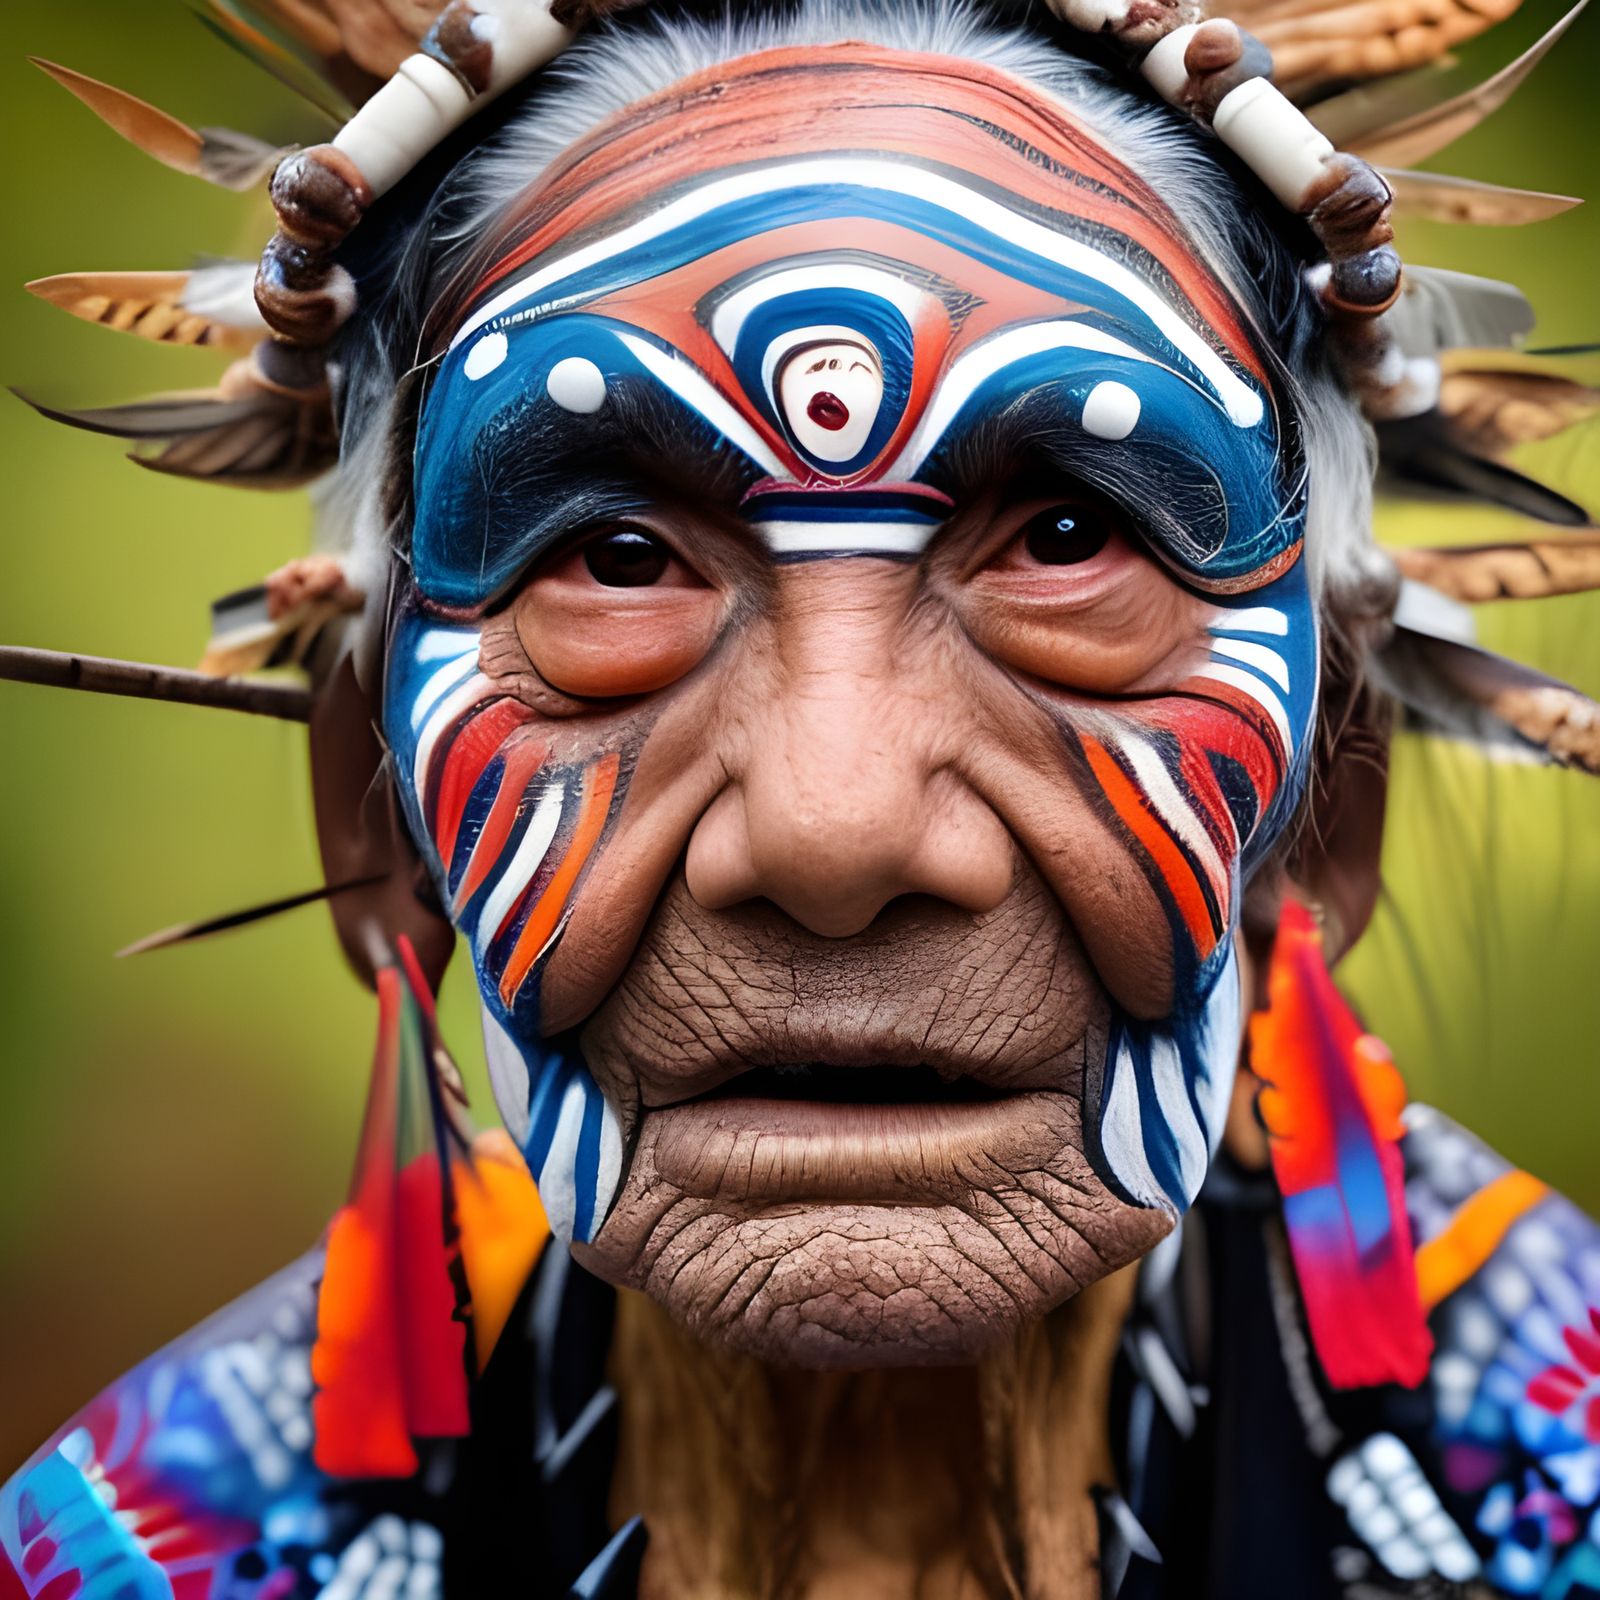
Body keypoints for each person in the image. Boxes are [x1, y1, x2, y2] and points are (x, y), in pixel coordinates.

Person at [3, 1, 1597, 1595]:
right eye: (616, 562)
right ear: (375, 822)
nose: (834, 832)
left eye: (1064, 544)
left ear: (1328, 802)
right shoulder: (141, 1557)